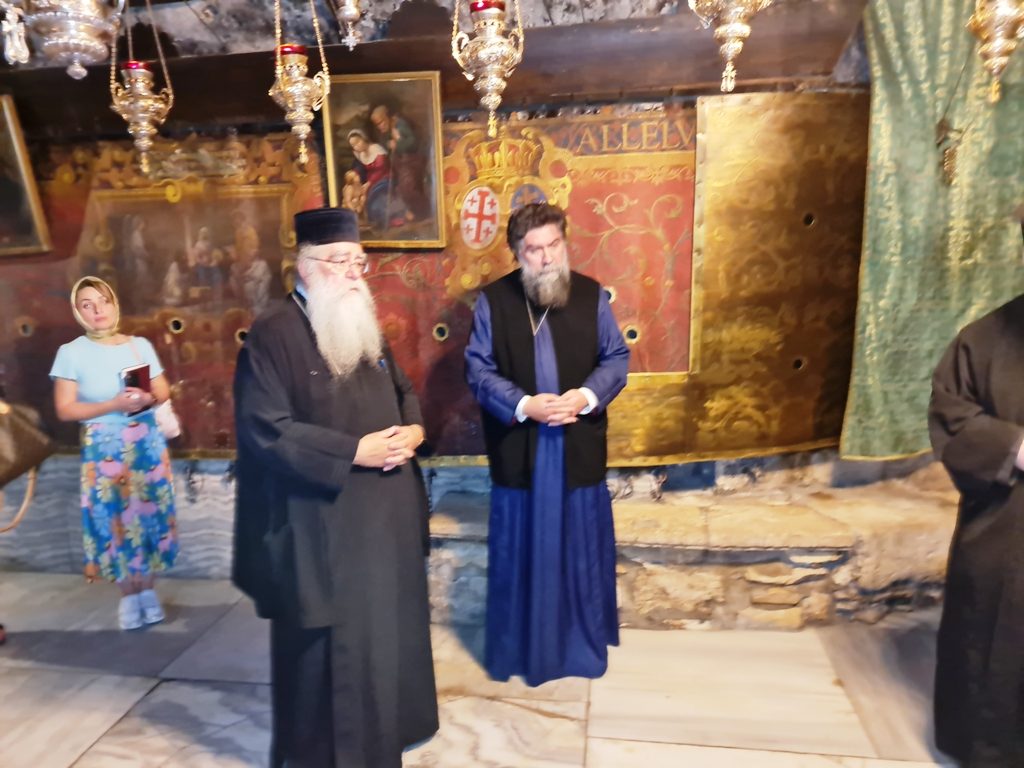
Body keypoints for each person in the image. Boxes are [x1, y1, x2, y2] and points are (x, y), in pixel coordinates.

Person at [232, 207, 438, 768]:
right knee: (338, 649)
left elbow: (404, 391)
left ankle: (388, 735)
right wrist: (352, 452)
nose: (353, 273)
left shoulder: (362, 323)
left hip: (386, 518)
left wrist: (415, 430)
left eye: (358, 261)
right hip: (323, 523)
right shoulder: (273, 333)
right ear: (305, 266)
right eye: (340, 261)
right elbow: (266, 430)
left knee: (387, 633)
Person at [464, 202, 630, 687]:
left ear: (564, 242)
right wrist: (524, 405)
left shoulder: (591, 295)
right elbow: (477, 369)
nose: (546, 257)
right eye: (534, 249)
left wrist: (584, 396)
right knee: (524, 553)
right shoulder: (493, 302)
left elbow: (616, 357)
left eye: (553, 245)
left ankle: (580, 645)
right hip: (522, 449)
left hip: (576, 446)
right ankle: (522, 650)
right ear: (517, 253)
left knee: (579, 550)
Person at [927, 204, 1024, 766]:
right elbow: (952, 415)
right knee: (995, 654)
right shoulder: (985, 339)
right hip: (1007, 533)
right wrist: (1016, 447)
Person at [49, 276, 178, 631]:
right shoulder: (70, 353)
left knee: (149, 515)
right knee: (113, 519)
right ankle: (128, 596)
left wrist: (147, 397)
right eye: (87, 304)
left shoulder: (139, 345)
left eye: (103, 301)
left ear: (114, 304)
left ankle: (148, 591)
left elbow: (163, 390)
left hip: (146, 443)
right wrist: (113, 404)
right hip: (104, 447)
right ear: (78, 311)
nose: (98, 310)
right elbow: (65, 409)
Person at [370, 104, 430, 223]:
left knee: (407, 188)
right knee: (400, 190)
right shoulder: (385, 131)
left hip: (412, 161)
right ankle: (416, 213)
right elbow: (385, 145)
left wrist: (397, 145)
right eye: (377, 124)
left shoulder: (399, 125)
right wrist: (388, 145)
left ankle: (424, 212)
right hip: (400, 164)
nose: (380, 126)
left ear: (387, 117)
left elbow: (412, 142)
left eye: (381, 122)